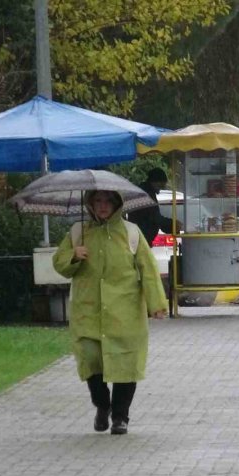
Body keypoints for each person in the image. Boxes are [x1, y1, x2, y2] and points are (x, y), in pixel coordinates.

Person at [53, 190, 167, 435]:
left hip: (124, 311)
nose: (102, 206)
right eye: (97, 201)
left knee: (126, 362)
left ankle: (120, 416)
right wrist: (74, 255)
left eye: (107, 201)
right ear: (90, 204)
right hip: (88, 311)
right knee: (90, 358)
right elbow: (59, 263)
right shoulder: (78, 232)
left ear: (117, 204)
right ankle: (102, 405)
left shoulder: (131, 232)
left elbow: (147, 268)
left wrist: (157, 303)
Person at [128, 168, 177, 245]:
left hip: (140, 238)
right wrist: (174, 224)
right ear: (155, 182)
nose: (162, 188)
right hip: (141, 239)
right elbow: (155, 218)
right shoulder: (145, 195)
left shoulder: (145, 192)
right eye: (161, 185)